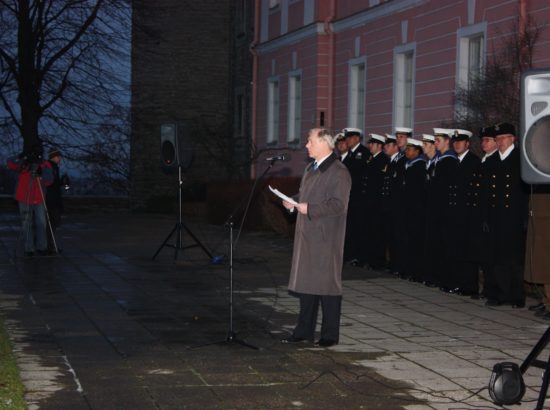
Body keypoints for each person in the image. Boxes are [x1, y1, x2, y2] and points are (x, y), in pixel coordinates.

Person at [281, 128, 351, 347]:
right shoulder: (311, 168)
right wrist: (292, 201)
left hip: (325, 237)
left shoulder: (338, 171)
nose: (307, 145)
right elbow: (306, 195)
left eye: (310, 141)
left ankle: (330, 334)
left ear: (323, 143)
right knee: (307, 285)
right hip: (307, 236)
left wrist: (308, 208)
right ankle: (304, 331)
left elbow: (338, 205)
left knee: (327, 286)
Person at [482, 122, 529, 308]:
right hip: (495, 216)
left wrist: (525, 217)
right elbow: (485, 192)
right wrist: (485, 217)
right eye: (498, 139)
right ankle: (499, 294)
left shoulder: (520, 159)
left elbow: (525, 192)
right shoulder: (491, 161)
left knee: (515, 259)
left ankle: (517, 295)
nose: (500, 142)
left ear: (513, 139)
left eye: (504, 138)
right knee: (497, 258)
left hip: (514, 216)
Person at [424, 128, 458, 289]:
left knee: (446, 246)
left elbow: (444, 188)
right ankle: (439, 277)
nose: (435, 143)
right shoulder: (440, 160)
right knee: (436, 245)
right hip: (436, 210)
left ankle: (448, 280)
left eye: (438, 140)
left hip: (445, 211)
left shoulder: (449, 161)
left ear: (447, 141)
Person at [7, 142, 53, 257]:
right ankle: (29, 249)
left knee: (41, 223)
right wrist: (21, 156)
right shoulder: (24, 163)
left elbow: (49, 180)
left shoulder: (45, 164)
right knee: (26, 223)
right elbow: (9, 163)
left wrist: (41, 174)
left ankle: (42, 247)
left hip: (39, 197)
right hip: (24, 197)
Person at [449, 129, 481, 296]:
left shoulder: (473, 161)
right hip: (456, 214)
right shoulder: (456, 161)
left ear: (467, 143)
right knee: (457, 250)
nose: (457, 144)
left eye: (460, 141)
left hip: (468, 215)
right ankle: (459, 283)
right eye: (455, 141)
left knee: (469, 252)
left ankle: (470, 287)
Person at [341, 127, 369, 264]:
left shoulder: (363, 153)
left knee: (358, 227)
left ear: (357, 138)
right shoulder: (350, 154)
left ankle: (358, 255)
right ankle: (350, 254)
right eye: (346, 137)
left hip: (359, 198)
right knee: (350, 227)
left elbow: (360, 176)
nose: (347, 140)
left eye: (350, 137)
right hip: (349, 197)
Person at [401, 138, 427, 281]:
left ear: (417, 151)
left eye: (410, 149)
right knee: (408, 242)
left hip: (416, 211)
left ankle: (416, 272)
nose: (407, 152)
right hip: (408, 210)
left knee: (416, 243)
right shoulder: (408, 165)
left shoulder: (419, 166)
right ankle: (409, 270)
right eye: (407, 149)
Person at [363, 133, 389, 269]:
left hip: (377, 203)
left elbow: (379, 184)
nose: (369, 146)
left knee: (378, 233)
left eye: (372, 144)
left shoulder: (383, 160)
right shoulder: (371, 159)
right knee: (370, 232)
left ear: (379, 145)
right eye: (369, 143)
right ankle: (371, 259)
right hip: (369, 203)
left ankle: (378, 262)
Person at [381, 134, 400, 274]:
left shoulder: (399, 162)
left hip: (395, 207)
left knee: (395, 237)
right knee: (389, 236)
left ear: (395, 147)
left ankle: (395, 264)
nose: (385, 148)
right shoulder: (390, 162)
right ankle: (392, 263)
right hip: (388, 207)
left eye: (388, 145)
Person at [46, 148, 69, 252]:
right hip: (51, 199)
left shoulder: (54, 167)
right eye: (58, 157)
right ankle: (49, 246)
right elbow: (49, 184)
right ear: (53, 157)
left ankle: (50, 245)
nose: (60, 159)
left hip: (54, 198)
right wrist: (60, 182)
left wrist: (62, 182)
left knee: (53, 223)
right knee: (52, 222)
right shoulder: (49, 166)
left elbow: (54, 183)